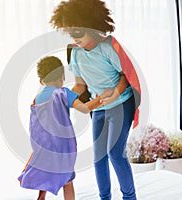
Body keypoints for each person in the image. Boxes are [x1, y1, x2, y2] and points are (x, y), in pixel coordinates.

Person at [50, 0, 141, 200]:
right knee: (99, 157)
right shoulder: (75, 53)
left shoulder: (108, 47)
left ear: (91, 27)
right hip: (99, 107)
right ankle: (104, 197)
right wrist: (61, 97)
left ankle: (130, 197)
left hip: (121, 104)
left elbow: (125, 77)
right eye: (70, 33)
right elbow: (80, 86)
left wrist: (114, 95)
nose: (75, 38)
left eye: (78, 33)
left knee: (115, 153)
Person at [18, 56, 103, 200]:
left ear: (41, 81)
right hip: (62, 149)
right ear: (62, 77)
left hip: (43, 148)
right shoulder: (63, 93)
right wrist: (100, 99)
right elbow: (84, 108)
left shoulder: (37, 98)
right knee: (67, 181)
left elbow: (34, 124)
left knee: (43, 179)